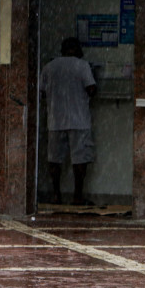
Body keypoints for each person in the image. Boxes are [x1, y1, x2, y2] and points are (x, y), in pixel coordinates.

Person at [39, 37, 96, 205]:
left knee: (54, 159)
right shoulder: (82, 65)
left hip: (55, 120)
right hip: (79, 120)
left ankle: (56, 194)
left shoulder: (49, 67)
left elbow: (41, 92)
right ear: (77, 49)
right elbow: (91, 88)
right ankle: (77, 196)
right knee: (79, 159)